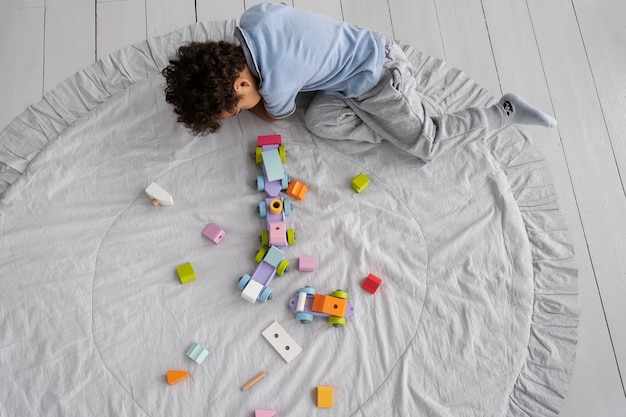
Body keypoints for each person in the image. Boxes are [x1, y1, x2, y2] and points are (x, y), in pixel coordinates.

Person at [162, 2, 556, 162]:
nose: (242, 113)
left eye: (235, 111)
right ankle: (389, 123)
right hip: (345, 71)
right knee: (318, 122)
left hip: (379, 75)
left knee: (423, 144)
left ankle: (502, 112)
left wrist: (260, 107)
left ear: (242, 86)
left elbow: (273, 115)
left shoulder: (276, 84)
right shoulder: (253, 17)